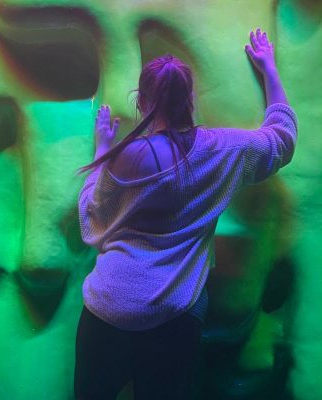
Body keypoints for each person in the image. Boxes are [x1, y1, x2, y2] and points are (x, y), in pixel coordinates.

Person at [74, 29, 297, 400]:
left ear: (142, 102)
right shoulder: (223, 149)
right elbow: (282, 139)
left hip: (106, 312)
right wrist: (269, 70)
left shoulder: (127, 158)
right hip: (172, 320)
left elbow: (91, 224)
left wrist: (102, 151)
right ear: (191, 98)